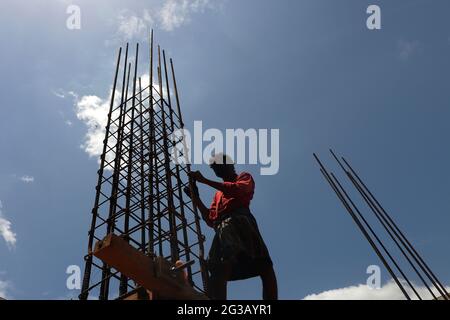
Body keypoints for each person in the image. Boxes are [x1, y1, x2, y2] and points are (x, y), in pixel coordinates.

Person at [184, 153, 278, 300]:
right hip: (222, 229)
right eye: (214, 168)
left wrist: (204, 181)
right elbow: (210, 219)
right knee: (217, 270)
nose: (217, 170)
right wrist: (195, 197)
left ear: (229, 164)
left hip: (240, 222)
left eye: (219, 165)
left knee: (264, 265)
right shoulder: (218, 195)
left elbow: (237, 190)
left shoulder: (244, 177)